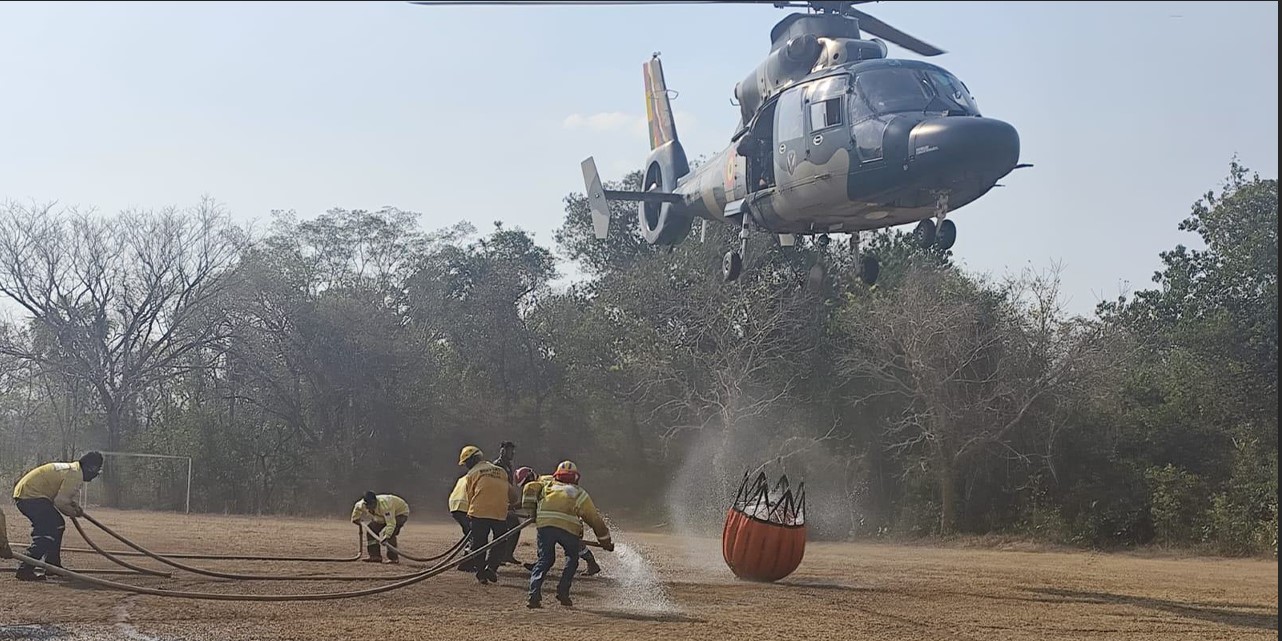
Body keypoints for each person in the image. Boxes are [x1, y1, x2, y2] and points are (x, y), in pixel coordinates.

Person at [523, 460, 613, 609]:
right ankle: (563, 592)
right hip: (568, 529)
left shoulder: (547, 484)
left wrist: (532, 512)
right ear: (575, 478)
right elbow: (594, 519)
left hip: (546, 526)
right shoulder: (579, 493)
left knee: (545, 560)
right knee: (572, 558)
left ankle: (534, 595)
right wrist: (605, 541)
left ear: (556, 475)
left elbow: (529, 487)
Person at [11, 451, 103, 581]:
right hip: (31, 496)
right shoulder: (76, 474)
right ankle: (25, 568)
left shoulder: (73, 469)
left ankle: (52, 565)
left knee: (58, 525)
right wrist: (73, 512)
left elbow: (62, 497)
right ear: (91, 469)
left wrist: (72, 506)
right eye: (96, 473)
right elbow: (60, 502)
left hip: (28, 494)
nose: (94, 477)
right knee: (49, 529)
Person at [518, 468, 602, 577]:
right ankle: (541, 562)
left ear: (530, 477)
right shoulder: (546, 480)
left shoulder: (539, 483)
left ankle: (592, 563)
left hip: (567, 515)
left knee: (573, 543)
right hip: (567, 513)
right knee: (551, 538)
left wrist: (534, 514)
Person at [460, 445, 518, 584]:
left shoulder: (472, 473)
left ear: (471, 461)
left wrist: (470, 512)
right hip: (500, 512)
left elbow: (470, 494)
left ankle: (481, 572)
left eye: (466, 462)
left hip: (479, 511)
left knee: (479, 543)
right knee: (500, 541)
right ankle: (491, 568)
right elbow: (513, 495)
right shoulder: (500, 471)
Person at [350, 491, 410, 564]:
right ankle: (375, 556)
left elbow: (391, 523)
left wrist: (386, 536)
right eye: (371, 505)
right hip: (381, 516)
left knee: (389, 533)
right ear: (366, 504)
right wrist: (355, 518)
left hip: (400, 513)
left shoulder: (386, 505)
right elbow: (357, 509)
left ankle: (393, 558)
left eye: (374, 503)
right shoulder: (361, 504)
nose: (373, 506)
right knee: (371, 529)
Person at [448, 473, 476, 572]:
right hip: (465, 506)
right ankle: (466, 563)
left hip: (455, 505)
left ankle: (468, 561)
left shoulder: (465, 477)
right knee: (474, 535)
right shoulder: (479, 476)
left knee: (470, 534)